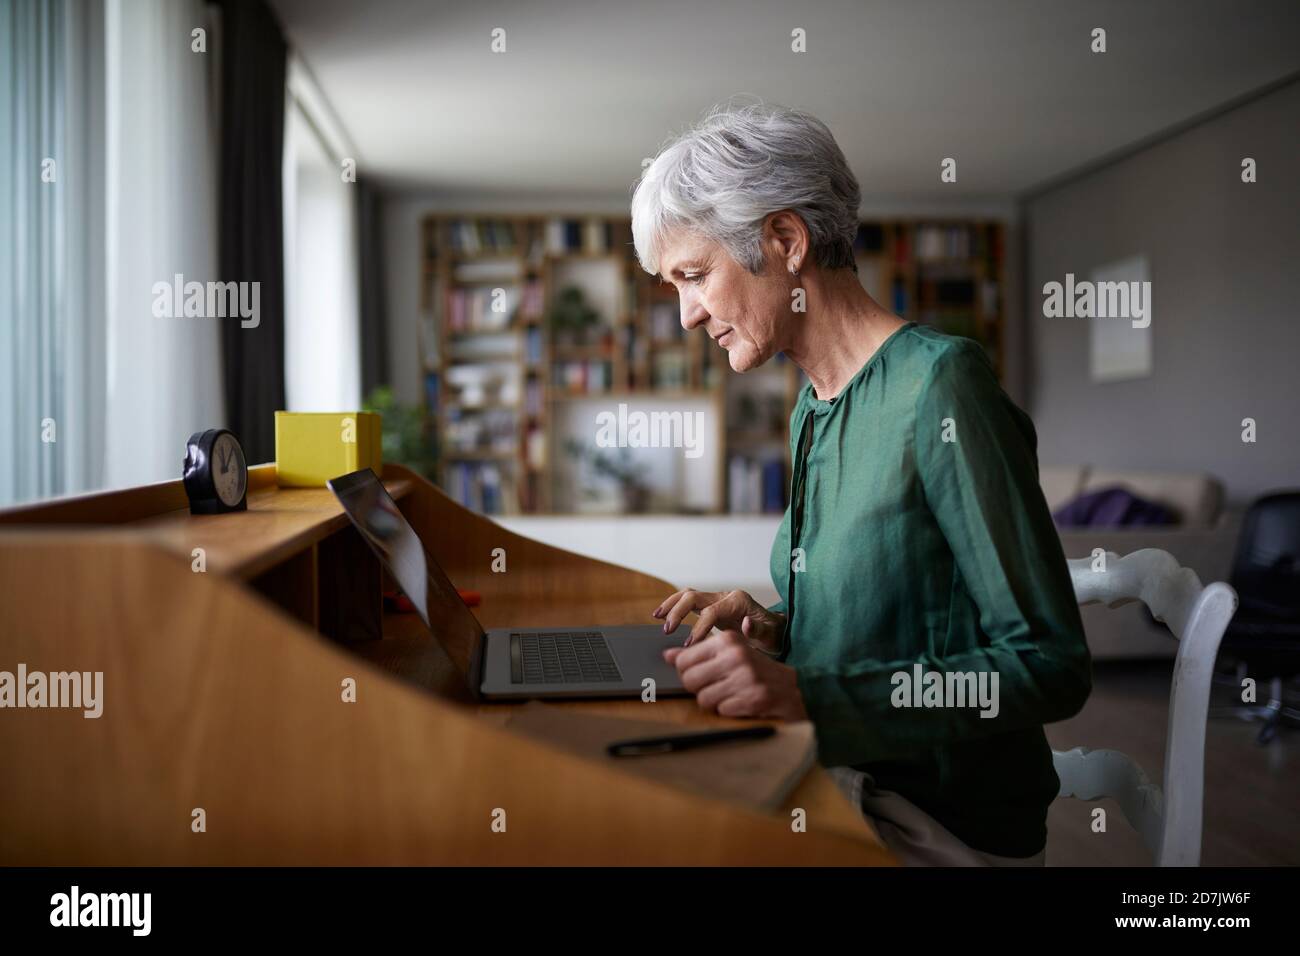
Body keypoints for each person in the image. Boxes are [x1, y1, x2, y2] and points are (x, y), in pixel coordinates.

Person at [631, 101, 1092, 865]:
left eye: (694, 275)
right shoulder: (814, 404)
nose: (686, 315)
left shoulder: (942, 389)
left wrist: (811, 697)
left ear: (784, 240)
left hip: (939, 821)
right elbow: (894, 605)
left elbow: (1050, 665)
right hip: (846, 775)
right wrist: (777, 625)